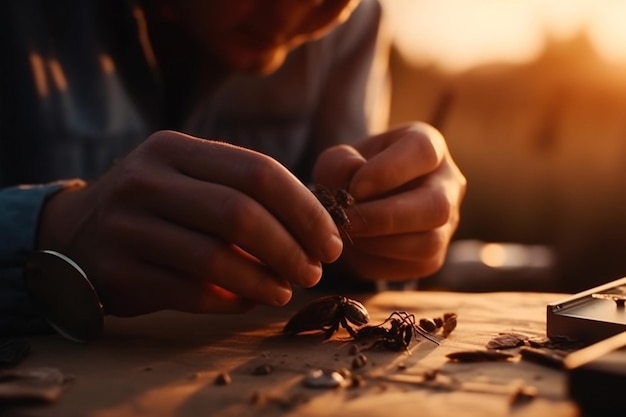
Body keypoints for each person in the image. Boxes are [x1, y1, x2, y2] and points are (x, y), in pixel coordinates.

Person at [0, 0, 466, 337]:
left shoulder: (352, 25)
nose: (291, 12)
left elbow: (343, 259)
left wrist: (391, 229)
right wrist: (51, 230)